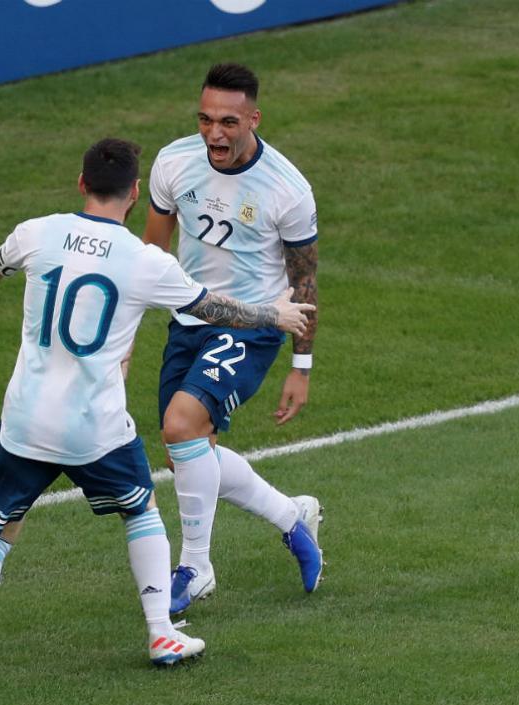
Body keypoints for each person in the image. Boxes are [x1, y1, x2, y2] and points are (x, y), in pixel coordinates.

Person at [0, 138, 314, 676]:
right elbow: (213, 307)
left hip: (25, 420)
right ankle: (161, 635)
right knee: (141, 511)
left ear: (81, 184)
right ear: (133, 194)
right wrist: (273, 315)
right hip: (93, 427)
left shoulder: (37, 232)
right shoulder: (145, 262)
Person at [141, 63, 322, 615]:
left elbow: (305, 282)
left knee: (180, 424)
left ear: (252, 119)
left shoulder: (287, 191)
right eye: (204, 120)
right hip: (189, 319)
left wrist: (302, 366)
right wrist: (121, 342)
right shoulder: (174, 162)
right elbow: (149, 258)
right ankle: (293, 517)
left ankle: (195, 567)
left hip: (254, 327)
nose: (214, 133)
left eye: (227, 122)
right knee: (188, 454)